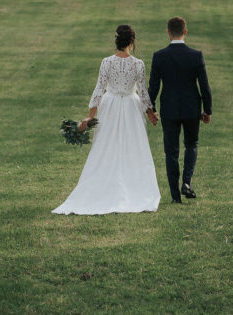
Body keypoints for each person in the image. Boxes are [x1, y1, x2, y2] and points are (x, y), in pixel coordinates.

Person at [52, 25, 160, 215]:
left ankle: (105, 185)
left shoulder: (106, 62)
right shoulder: (138, 64)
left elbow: (98, 90)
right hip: (130, 107)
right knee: (132, 147)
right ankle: (133, 187)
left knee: (106, 146)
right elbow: (143, 93)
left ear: (116, 41)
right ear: (132, 41)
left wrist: (90, 116)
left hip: (108, 107)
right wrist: (150, 112)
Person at [148, 16, 213, 204]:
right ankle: (186, 182)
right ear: (185, 31)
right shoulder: (196, 55)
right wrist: (207, 110)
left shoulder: (159, 56)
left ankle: (175, 196)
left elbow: (153, 87)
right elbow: (204, 86)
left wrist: (151, 108)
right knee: (191, 144)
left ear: (168, 32)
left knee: (171, 152)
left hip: (168, 108)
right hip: (192, 107)